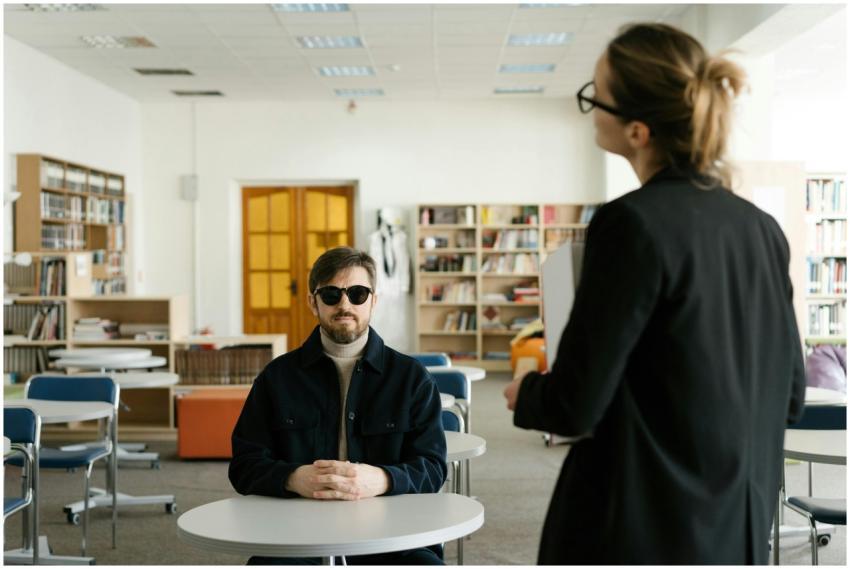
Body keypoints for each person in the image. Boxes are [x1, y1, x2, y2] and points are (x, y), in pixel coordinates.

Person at [503, 22, 806, 564]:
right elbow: (790, 396)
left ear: (638, 130)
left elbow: (576, 405)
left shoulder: (631, 225)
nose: (592, 110)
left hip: (642, 527)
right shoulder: (762, 229)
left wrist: (526, 391)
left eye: (596, 97)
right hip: (736, 528)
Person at [230, 246, 447, 565]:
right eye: (331, 294)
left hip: (392, 537)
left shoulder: (412, 378)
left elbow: (433, 467)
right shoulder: (276, 378)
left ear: (373, 300)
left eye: (357, 293)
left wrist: (382, 479)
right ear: (312, 302)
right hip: (296, 536)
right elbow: (244, 466)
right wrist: (293, 478)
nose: (344, 304)